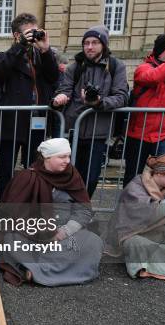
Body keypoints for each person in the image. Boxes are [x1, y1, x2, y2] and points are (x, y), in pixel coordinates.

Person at [0, 138, 104, 286]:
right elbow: (13, 214)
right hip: (32, 233)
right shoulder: (27, 177)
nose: (67, 161)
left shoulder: (72, 175)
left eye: (68, 156)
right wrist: (44, 231)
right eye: (62, 157)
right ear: (47, 157)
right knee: (10, 240)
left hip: (66, 231)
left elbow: (84, 210)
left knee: (93, 242)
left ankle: (35, 270)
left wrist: (64, 232)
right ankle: (55, 270)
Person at [52, 25, 129, 197]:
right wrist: (60, 98)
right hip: (74, 130)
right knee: (71, 175)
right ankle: (70, 210)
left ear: (104, 45)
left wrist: (99, 102)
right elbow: (64, 89)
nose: (89, 47)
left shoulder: (116, 67)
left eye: (95, 42)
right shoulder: (75, 67)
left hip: (98, 132)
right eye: (86, 43)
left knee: (91, 177)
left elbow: (122, 97)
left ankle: (81, 211)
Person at [0, 13, 60, 200]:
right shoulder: (5, 56)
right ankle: (4, 207)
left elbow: (53, 77)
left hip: (36, 121)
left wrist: (46, 50)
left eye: (36, 31)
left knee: (34, 168)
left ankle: (29, 206)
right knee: (6, 169)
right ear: (17, 35)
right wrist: (20, 46)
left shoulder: (42, 56)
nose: (34, 36)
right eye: (29, 33)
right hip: (12, 121)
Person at [104, 154, 165, 281]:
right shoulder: (135, 187)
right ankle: (154, 266)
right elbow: (148, 216)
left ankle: (161, 262)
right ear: (159, 173)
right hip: (132, 233)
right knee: (136, 244)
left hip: (158, 233)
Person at [123, 33, 165, 186]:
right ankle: (127, 209)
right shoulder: (144, 67)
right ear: (161, 50)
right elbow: (153, 77)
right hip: (139, 134)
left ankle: (162, 208)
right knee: (133, 177)